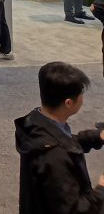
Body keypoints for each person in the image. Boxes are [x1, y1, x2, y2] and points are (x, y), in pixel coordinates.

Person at [16, 62, 104, 214]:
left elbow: (65, 142)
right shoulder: (55, 156)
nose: (83, 98)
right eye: (81, 94)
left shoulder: (36, 124)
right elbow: (73, 210)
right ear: (68, 103)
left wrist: (96, 136)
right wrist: (101, 190)